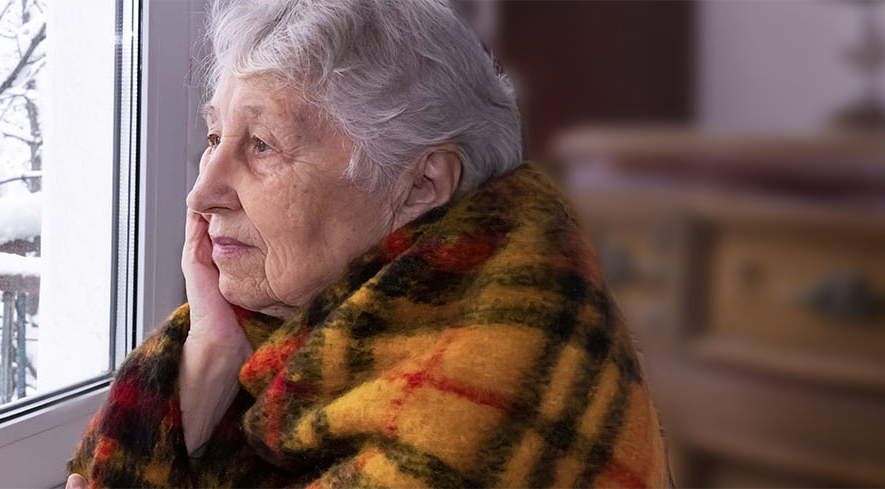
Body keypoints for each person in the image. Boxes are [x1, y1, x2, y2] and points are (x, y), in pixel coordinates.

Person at [66, 0, 670, 487]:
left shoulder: (481, 405)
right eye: (214, 135)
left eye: (263, 145)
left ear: (421, 184)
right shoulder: (318, 317)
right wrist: (207, 359)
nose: (202, 194)